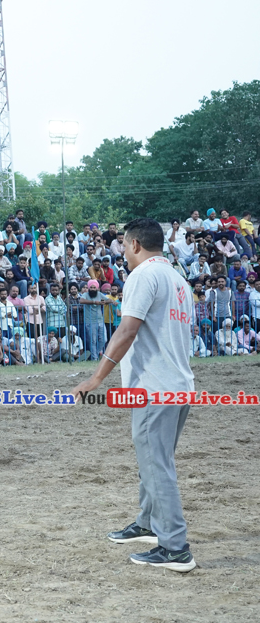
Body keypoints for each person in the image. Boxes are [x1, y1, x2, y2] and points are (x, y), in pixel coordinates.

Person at [73, 218, 197, 572]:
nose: (124, 253)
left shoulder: (143, 275)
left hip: (154, 388)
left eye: (125, 246)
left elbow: (127, 331)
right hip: (178, 385)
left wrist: (96, 378)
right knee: (154, 461)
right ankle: (147, 523)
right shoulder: (178, 278)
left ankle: (175, 547)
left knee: (156, 465)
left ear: (135, 245)